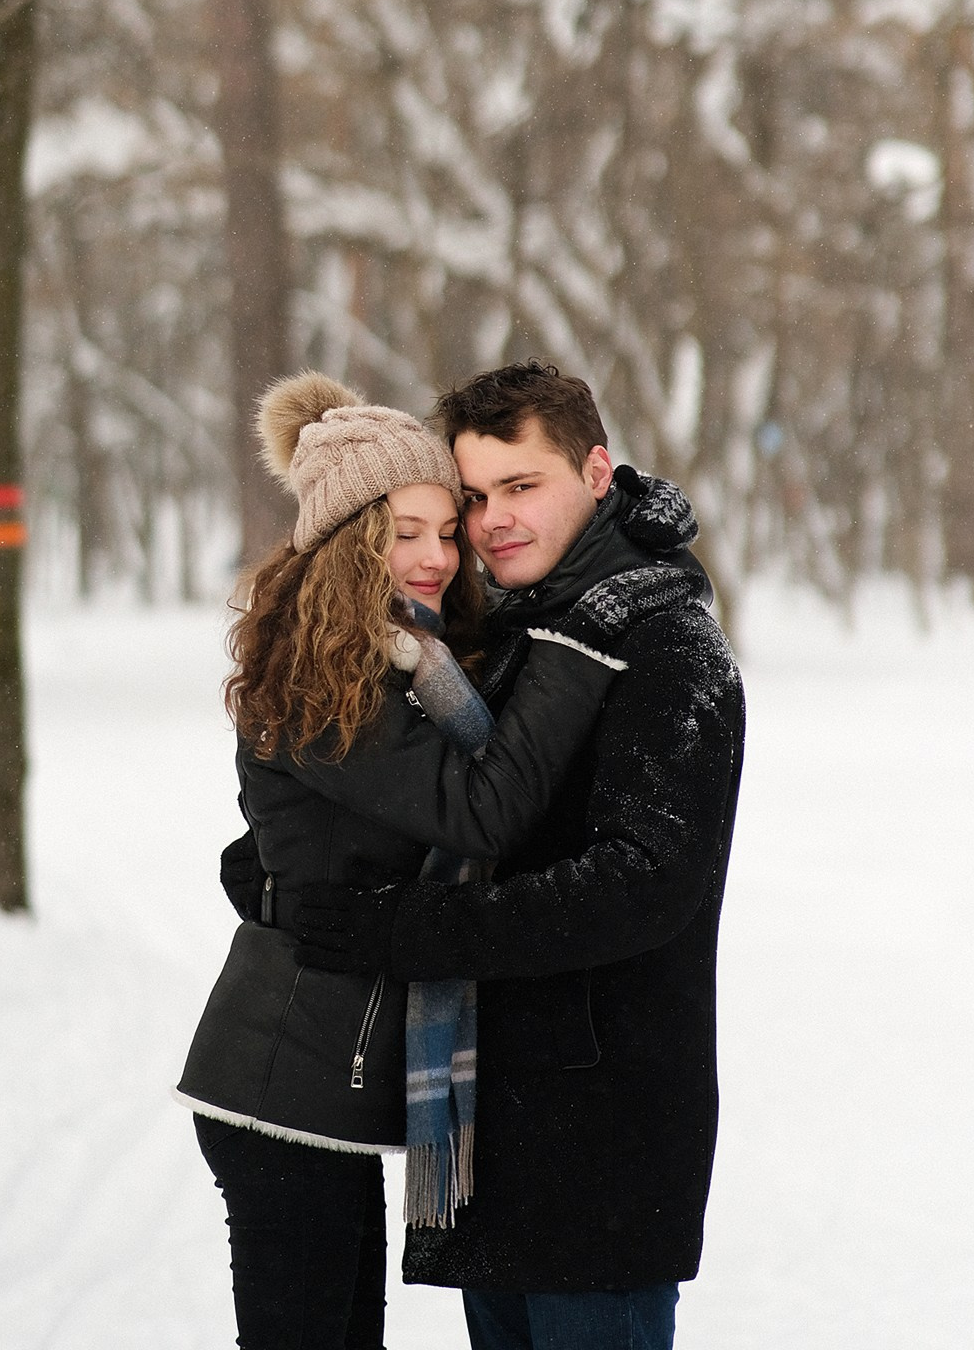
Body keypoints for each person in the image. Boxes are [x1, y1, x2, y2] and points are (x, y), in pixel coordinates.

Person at [293, 361, 746, 1350]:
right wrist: (289, 863)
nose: (492, 519)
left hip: (600, 1143)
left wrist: (408, 930)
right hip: (487, 1133)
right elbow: (436, 808)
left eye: (519, 485)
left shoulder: (667, 652)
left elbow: (637, 887)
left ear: (594, 469)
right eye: (473, 497)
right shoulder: (500, 640)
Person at [175, 371, 625, 1350]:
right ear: (348, 544)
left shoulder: (402, 658)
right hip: (279, 1092)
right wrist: (573, 656)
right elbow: (478, 810)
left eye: (441, 529)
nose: (430, 556)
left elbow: (311, 833)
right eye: (400, 533)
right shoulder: (323, 677)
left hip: (315, 1092)